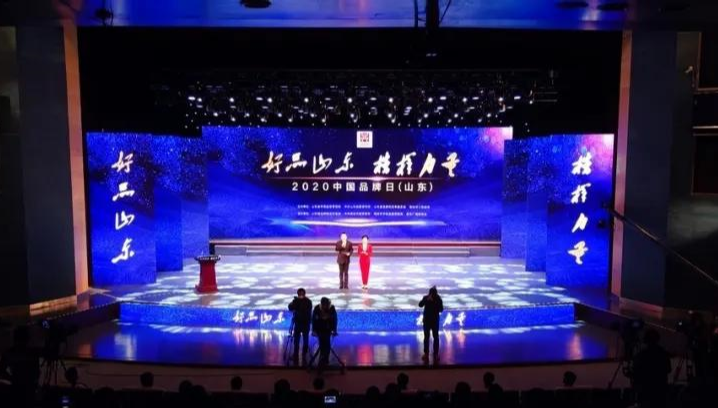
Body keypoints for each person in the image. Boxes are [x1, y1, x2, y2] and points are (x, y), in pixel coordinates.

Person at [632, 329, 672, 408]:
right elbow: (668, 369)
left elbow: (636, 372)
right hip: (660, 389)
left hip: (646, 390)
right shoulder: (663, 353)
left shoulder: (642, 355)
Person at [288, 288, 312, 364]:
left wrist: (299, 303)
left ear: (304, 294)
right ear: (298, 294)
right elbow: (290, 308)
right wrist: (293, 302)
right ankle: (295, 354)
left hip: (305, 323)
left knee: (305, 340)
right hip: (297, 323)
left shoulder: (308, 301)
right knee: (296, 340)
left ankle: (304, 354)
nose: (301, 295)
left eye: (302, 293)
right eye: (299, 293)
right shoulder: (296, 301)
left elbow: (307, 311)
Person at [419, 286, 443, 363]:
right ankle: (426, 353)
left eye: (433, 293)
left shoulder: (438, 299)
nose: (432, 294)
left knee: (436, 337)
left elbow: (441, 309)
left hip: (435, 321)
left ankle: (436, 354)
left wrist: (434, 302)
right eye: (431, 293)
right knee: (426, 337)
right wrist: (426, 300)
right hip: (426, 321)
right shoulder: (426, 298)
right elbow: (420, 305)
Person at [312, 297, 338, 366]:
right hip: (319, 329)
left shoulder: (331, 308)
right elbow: (313, 320)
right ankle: (322, 359)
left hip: (328, 329)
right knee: (322, 344)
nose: (325, 306)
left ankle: (325, 359)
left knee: (327, 344)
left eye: (326, 304)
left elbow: (334, 320)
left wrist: (334, 330)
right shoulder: (317, 308)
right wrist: (313, 330)